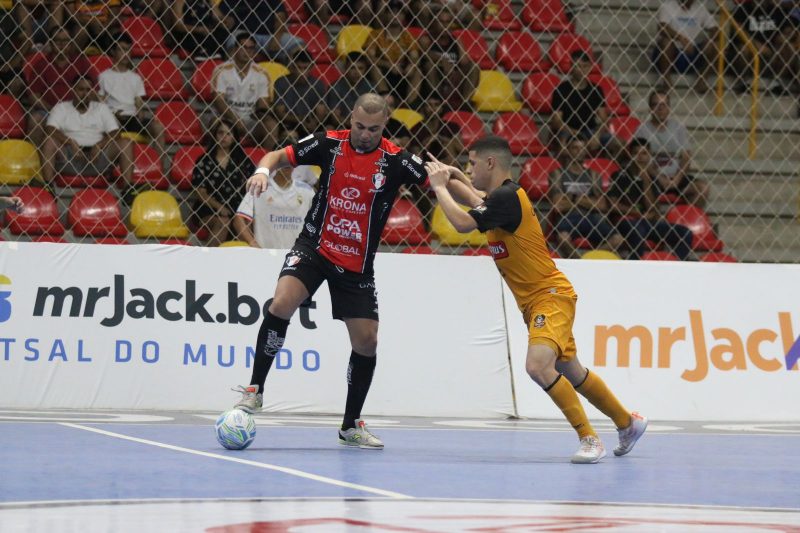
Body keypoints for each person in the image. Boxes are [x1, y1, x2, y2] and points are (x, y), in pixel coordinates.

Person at [425, 136, 647, 464]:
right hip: (536, 302)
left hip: (549, 297)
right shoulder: (501, 198)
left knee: (537, 366)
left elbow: (461, 223)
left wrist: (439, 188)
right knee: (571, 370)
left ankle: (589, 438)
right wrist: (454, 175)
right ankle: (628, 423)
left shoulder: (506, 197)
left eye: (473, 164)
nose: (470, 169)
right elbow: (474, 198)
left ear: (490, 163)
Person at [233, 93, 429, 449]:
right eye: (358, 126)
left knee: (367, 341)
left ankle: (350, 425)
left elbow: (437, 180)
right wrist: (263, 171)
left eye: (373, 129)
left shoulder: (396, 160)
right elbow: (277, 156)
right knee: (281, 303)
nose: (364, 134)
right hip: (315, 247)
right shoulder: (329, 144)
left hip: (356, 265)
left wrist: (474, 200)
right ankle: (254, 390)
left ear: (384, 126)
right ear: (350, 118)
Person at [608, 138, 694, 260]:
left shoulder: (652, 179)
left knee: (684, 233)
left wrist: (645, 179)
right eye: (636, 153)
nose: (640, 157)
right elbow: (613, 205)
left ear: (649, 156)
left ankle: (676, 268)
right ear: (630, 155)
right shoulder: (620, 175)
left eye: (644, 153)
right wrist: (637, 214)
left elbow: (653, 209)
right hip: (625, 220)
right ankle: (635, 268)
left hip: (647, 223)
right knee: (638, 231)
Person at [40, 76, 135, 186]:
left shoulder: (101, 108)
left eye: (88, 90)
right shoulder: (61, 107)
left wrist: (100, 145)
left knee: (126, 142)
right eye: (81, 89)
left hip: (98, 158)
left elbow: (115, 132)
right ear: (73, 90)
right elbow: (49, 129)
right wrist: (70, 142)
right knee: (49, 141)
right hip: (69, 156)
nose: (85, 94)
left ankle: (128, 189)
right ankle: (48, 187)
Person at [549, 135, 624, 259]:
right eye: (575, 148)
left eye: (582, 148)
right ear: (568, 150)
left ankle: (588, 259)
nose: (579, 152)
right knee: (563, 238)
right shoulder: (557, 174)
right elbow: (558, 206)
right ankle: (580, 262)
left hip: (591, 218)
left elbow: (601, 205)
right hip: (568, 217)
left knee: (618, 239)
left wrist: (573, 198)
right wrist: (588, 200)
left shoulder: (594, 175)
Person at [98, 35, 168, 165]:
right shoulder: (104, 76)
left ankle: (159, 167)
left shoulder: (135, 77)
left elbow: (139, 101)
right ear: (113, 51)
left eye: (128, 50)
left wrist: (141, 111)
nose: (125, 53)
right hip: (114, 117)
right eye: (122, 49)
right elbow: (100, 102)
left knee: (158, 127)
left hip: (132, 118)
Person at [634, 89, 708, 207]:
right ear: (650, 109)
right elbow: (640, 161)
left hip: (676, 177)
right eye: (656, 104)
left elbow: (686, 157)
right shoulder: (642, 130)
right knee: (646, 193)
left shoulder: (678, 128)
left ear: (669, 108)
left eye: (664, 105)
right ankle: (658, 221)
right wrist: (660, 178)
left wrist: (677, 179)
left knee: (702, 188)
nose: (660, 108)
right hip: (653, 178)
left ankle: (682, 221)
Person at [192, 119, 254, 246]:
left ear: (234, 137)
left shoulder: (243, 161)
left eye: (228, 134)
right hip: (209, 209)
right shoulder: (204, 160)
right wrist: (220, 208)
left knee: (248, 222)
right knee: (223, 222)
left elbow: (252, 189)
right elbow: (200, 193)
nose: (224, 137)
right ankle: (209, 260)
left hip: (238, 208)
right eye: (220, 133)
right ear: (215, 135)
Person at [211, 32, 278, 147]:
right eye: (243, 47)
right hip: (226, 118)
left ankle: (268, 163)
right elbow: (218, 101)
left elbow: (263, 105)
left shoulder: (262, 74)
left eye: (251, 48)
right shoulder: (221, 70)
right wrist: (236, 120)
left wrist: (260, 114)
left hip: (251, 121)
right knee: (215, 123)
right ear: (236, 49)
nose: (247, 51)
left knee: (271, 124)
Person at [233, 166, 314, 249]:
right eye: (283, 161)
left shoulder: (306, 190)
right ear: (276, 162)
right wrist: (252, 243)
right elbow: (238, 220)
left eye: (289, 160)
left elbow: (320, 219)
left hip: (297, 255)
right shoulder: (260, 187)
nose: (287, 164)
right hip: (266, 255)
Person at [653, 0, 718, 92]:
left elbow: (716, 29)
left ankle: (702, 81)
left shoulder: (700, 8)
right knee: (666, 42)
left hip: (691, 53)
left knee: (713, 45)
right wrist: (681, 38)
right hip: (672, 54)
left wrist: (710, 39)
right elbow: (662, 27)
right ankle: (666, 82)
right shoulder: (668, 5)